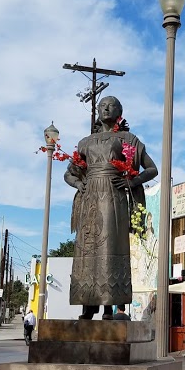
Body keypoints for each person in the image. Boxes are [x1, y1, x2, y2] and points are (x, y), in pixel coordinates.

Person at [65, 96, 158, 319]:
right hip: (90, 198)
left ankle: (109, 307)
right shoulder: (86, 142)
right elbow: (69, 173)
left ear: (120, 111)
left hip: (113, 197)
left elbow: (151, 169)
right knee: (87, 248)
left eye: (111, 105)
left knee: (110, 248)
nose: (106, 108)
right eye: (102, 105)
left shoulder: (127, 139)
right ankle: (87, 306)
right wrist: (79, 183)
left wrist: (131, 182)